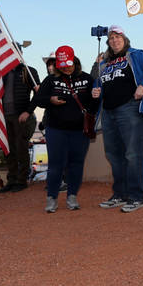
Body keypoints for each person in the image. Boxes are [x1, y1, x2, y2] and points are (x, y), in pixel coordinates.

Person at [92, 25, 143, 213]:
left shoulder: (136, 54)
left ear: (124, 38)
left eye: (117, 36)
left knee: (132, 155)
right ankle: (120, 194)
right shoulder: (104, 62)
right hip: (109, 111)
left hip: (130, 108)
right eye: (111, 38)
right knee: (114, 155)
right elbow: (99, 83)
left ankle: (137, 197)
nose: (114, 40)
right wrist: (96, 90)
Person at [33, 46, 97, 213]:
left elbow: (93, 104)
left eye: (68, 64)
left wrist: (96, 97)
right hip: (56, 129)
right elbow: (38, 100)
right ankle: (52, 198)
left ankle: (72, 196)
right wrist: (50, 100)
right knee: (55, 164)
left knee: (76, 163)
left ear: (74, 60)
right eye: (62, 65)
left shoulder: (87, 79)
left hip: (79, 130)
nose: (66, 67)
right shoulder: (51, 80)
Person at [0, 59, 42, 192]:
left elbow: (38, 93)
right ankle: (11, 179)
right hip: (4, 115)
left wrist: (28, 111)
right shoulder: (1, 72)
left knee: (21, 147)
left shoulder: (28, 71)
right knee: (8, 148)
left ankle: (21, 180)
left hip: (20, 116)